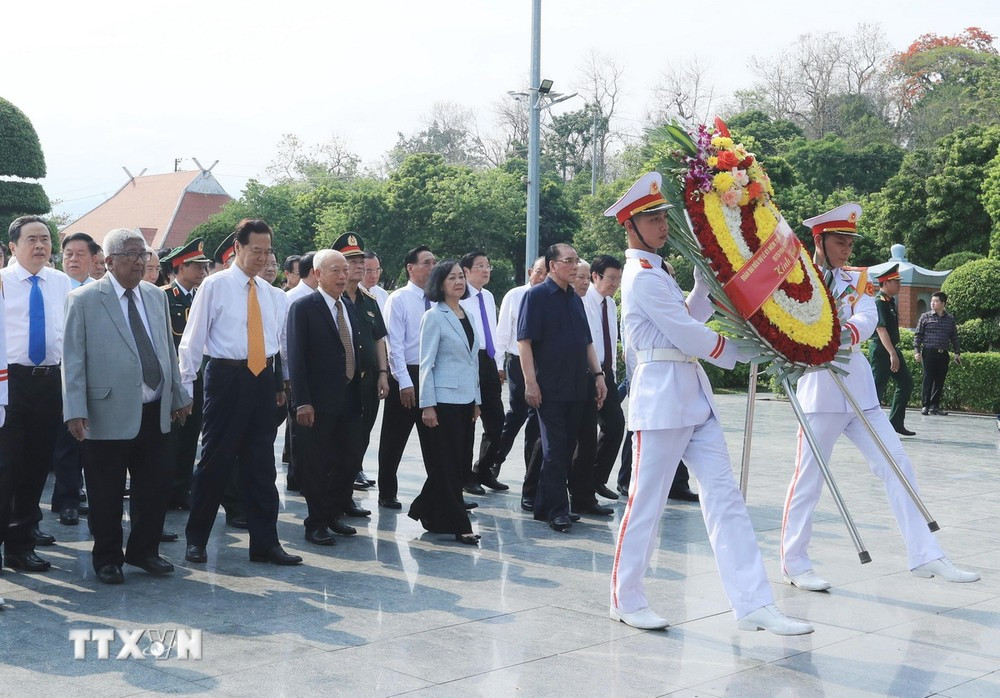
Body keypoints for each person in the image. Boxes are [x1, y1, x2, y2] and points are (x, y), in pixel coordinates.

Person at [606, 172, 812, 634]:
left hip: (692, 396)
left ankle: (754, 602)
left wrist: (702, 288)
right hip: (660, 397)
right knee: (646, 503)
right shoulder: (640, 278)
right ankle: (626, 596)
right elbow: (687, 334)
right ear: (631, 226)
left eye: (663, 216)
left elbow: (687, 317)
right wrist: (745, 351)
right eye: (653, 218)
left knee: (725, 499)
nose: (663, 225)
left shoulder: (657, 274)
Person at [782, 203, 978, 593]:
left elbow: (867, 313)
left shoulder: (857, 280)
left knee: (899, 466)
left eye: (850, 242)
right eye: (840, 241)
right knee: (809, 480)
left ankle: (925, 553)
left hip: (860, 395)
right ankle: (795, 561)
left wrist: (848, 333)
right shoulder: (796, 280)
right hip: (821, 394)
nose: (847, 249)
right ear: (818, 240)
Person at [62, 228, 192, 584]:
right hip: (106, 412)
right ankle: (107, 558)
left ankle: (144, 551)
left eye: (144, 254)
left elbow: (167, 350)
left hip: (155, 410)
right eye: (133, 254)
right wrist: (75, 409)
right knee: (105, 492)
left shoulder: (155, 296)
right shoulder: (85, 299)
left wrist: (177, 395)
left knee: (154, 487)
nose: (142, 261)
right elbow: (73, 359)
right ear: (110, 261)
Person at [178, 219, 301, 566]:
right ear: (238, 248)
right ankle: (196, 539)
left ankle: (266, 543)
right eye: (255, 251)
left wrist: (282, 384)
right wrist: (186, 386)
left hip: (262, 380)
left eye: (267, 252)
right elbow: (193, 338)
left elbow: (278, 347)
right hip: (226, 378)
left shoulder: (273, 294)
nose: (262, 259)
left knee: (261, 465)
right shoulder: (214, 286)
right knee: (215, 460)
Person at [0, 216, 74, 573]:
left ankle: (20, 545)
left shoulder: (61, 283)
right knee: (6, 467)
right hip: (8, 383)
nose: (40, 246)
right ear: (13, 247)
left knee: (35, 468)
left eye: (45, 239)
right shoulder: (1, 283)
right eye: (32, 239)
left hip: (49, 383)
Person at [518, 243, 607, 532]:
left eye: (575, 260)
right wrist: (530, 383)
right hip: (549, 387)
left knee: (567, 447)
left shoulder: (575, 299)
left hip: (577, 385)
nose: (573, 266)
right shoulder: (536, 296)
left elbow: (586, 341)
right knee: (555, 449)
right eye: (567, 261)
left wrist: (598, 375)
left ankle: (546, 505)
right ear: (553, 265)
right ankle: (558, 510)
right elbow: (525, 343)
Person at [287, 250, 368, 545]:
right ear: (318, 274)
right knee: (315, 464)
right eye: (335, 270)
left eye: (345, 270)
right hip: (317, 401)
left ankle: (333, 513)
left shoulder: (346, 304)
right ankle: (316, 522)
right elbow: (296, 357)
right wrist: (302, 401)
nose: (343, 276)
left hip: (348, 397)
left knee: (349, 460)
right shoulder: (303, 307)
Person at [409, 260, 481, 545]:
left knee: (458, 464)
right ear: (440, 284)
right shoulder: (434, 316)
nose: (459, 282)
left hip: (466, 400)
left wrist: (477, 400)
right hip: (442, 400)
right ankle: (460, 523)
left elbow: (472, 360)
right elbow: (426, 363)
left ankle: (425, 510)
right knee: (448, 465)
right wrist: (427, 404)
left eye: (461, 277)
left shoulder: (468, 314)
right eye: (452, 278)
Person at [377, 245, 436, 509]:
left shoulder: (439, 299)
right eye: (426, 263)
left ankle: (441, 491)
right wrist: (404, 382)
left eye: (434, 262)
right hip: (406, 373)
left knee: (435, 439)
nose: (432, 267)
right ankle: (387, 491)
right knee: (394, 438)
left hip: (432, 373)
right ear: (410, 268)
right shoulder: (399, 299)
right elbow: (394, 345)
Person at [50, 232, 102, 525]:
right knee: (67, 441)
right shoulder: (55, 289)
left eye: (80, 254)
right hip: (62, 374)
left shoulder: (103, 291)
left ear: (94, 258)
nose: (73, 259)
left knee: (96, 443)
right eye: (68, 254)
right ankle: (67, 499)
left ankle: (96, 500)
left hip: (98, 378)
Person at [334, 234, 388, 491]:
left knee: (363, 432)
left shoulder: (370, 301)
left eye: (359, 260)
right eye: (351, 261)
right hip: (341, 382)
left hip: (367, 380)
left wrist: (383, 373)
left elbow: (379, 338)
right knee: (340, 437)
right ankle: (339, 489)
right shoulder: (332, 300)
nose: (358, 265)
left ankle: (352, 477)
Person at [159, 239, 211, 511]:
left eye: (204, 266)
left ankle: (182, 487)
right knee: (171, 438)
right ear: (180, 267)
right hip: (173, 379)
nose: (203, 271)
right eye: (197, 265)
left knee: (191, 435)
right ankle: (166, 490)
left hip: (198, 377)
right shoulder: (163, 296)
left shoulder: (203, 296)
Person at [493, 257, 546, 498]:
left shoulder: (550, 297)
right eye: (538, 272)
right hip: (517, 362)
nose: (542, 277)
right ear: (529, 272)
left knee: (536, 419)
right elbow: (503, 332)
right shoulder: (515, 295)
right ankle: (495, 460)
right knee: (516, 414)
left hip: (543, 363)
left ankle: (531, 475)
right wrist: (498, 365)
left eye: (547, 272)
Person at [578, 255, 627, 504]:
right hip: (588, 374)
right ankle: (581, 486)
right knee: (584, 434)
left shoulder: (611, 305)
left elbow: (610, 340)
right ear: (595, 276)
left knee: (615, 426)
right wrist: (596, 376)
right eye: (611, 278)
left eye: (619, 278)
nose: (615, 283)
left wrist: (611, 377)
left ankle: (596, 479)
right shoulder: (583, 301)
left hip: (606, 374)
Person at [459, 251, 506, 494]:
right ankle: (466, 477)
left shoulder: (487, 296)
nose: (486, 270)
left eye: (488, 266)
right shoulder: (459, 296)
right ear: (466, 271)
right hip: (468, 360)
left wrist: (498, 364)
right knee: (469, 420)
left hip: (487, 361)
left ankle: (483, 468)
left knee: (496, 420)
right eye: (480, 266)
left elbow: (494, 332)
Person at [279, 250, 318, 492]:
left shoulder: (324, 297)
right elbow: (285, 340)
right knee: (299, 430)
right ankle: (298, 476)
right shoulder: (291, 299)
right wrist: (288, 375)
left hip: (319, 376)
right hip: (297, 374)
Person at [869, 265, 915, 436]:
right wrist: (892, 354)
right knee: (877, 388)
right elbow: (881, 329)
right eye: (896, 282)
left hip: (891, 349)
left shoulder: (890, 302)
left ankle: (895, 422)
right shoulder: (879, 302)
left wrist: (894, 352)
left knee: (906, 383)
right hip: (882, 350)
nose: (899, 285)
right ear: (886, 283)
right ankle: (869, 426)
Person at [914, 291, 960, 416]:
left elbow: (954, 337)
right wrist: (917, 351)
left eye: (936, 301)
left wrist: (957, 353)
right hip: (929, 352)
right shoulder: (925, 317)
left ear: (943, 303)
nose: (932, 303)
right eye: (932, 301)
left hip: (943, 353)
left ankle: (935, 406)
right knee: (928, 379)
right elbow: (918, 335)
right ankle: (925, 405)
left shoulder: (950, 319)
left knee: (940, 380)